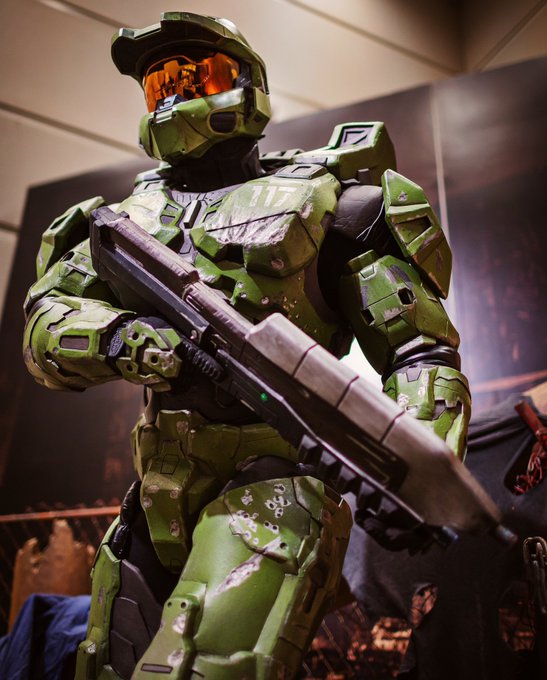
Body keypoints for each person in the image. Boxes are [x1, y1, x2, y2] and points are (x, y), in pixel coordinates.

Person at [22, 12, 471, 679]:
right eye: (159, 84)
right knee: (103, 665)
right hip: (159, 489)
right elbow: (45, 323)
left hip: (276, 481)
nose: (175, 96)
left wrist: (414, 473)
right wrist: (123, 338)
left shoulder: (341, 205)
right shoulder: (121, 223)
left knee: (208, 667)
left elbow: (420, 355)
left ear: (247, 85)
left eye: (197, 76)